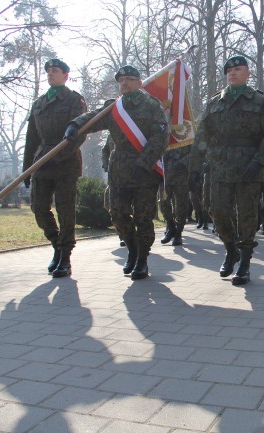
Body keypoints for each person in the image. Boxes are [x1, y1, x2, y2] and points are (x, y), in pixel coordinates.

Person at [64, 65, 169, 280]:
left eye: (130, 79)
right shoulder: (114, 108)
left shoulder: (152, 106)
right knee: (118, 214)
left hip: (144, 172)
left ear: (140, 83)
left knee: (143, 217)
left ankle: (142, 259)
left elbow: (161, 137)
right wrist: (75, 124)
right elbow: (93, 118)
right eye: (121, 80)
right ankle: (132, 249)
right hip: (119, 171)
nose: (125, 83)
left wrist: (144, 163)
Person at [188, 55, 264, 285]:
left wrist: (259, 162)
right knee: (217, 211)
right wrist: (194, 169)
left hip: (249, 167)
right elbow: (202, 137)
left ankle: (245, 262)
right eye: (229, 70)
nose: (233, 73)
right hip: (220, 167)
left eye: (238, 69)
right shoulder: (216, 102)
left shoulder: (259, 101)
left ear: (248, 73)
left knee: (247, 215)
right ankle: (231, 249)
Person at [23, 59, 87, 278]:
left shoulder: (73, 100)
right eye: (48, 71)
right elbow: (31, 138)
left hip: (65, 163)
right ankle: (56, 245)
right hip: (41, 162)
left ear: (66, 75)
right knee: (39, 208)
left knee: (65, 210)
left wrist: (59, 156)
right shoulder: (39, 103)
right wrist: (27, 169)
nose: (51, 73)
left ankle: (65, 256)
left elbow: (80, 132)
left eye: (55, 71)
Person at [159, 146, 190, 246]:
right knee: (163, 202)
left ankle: (178, 232)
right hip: (165, 174)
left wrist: (182, 163)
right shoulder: (163, 131)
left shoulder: (187, 131)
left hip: (181, 175)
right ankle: (170, 227)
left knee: (181, 204)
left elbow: (194, 151)